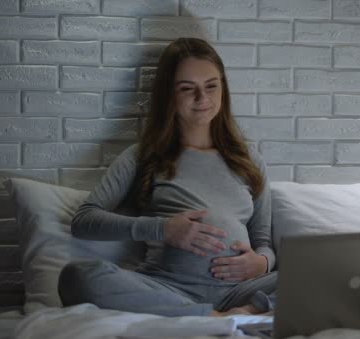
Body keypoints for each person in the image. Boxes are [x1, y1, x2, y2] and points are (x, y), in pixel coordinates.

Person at [58, 37, 277, 317]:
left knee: (329, 273)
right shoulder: (143, 156)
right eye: (188, 89)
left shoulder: (249, 160)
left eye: (211, 86)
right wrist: (162, 229)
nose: (203, 99)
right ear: (169, 96)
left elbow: (264, 242)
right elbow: (84, 221)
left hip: (240, 290)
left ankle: (245, 311)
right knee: (76, 276)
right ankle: (211, 317)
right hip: (168, 288)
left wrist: (262, 263)